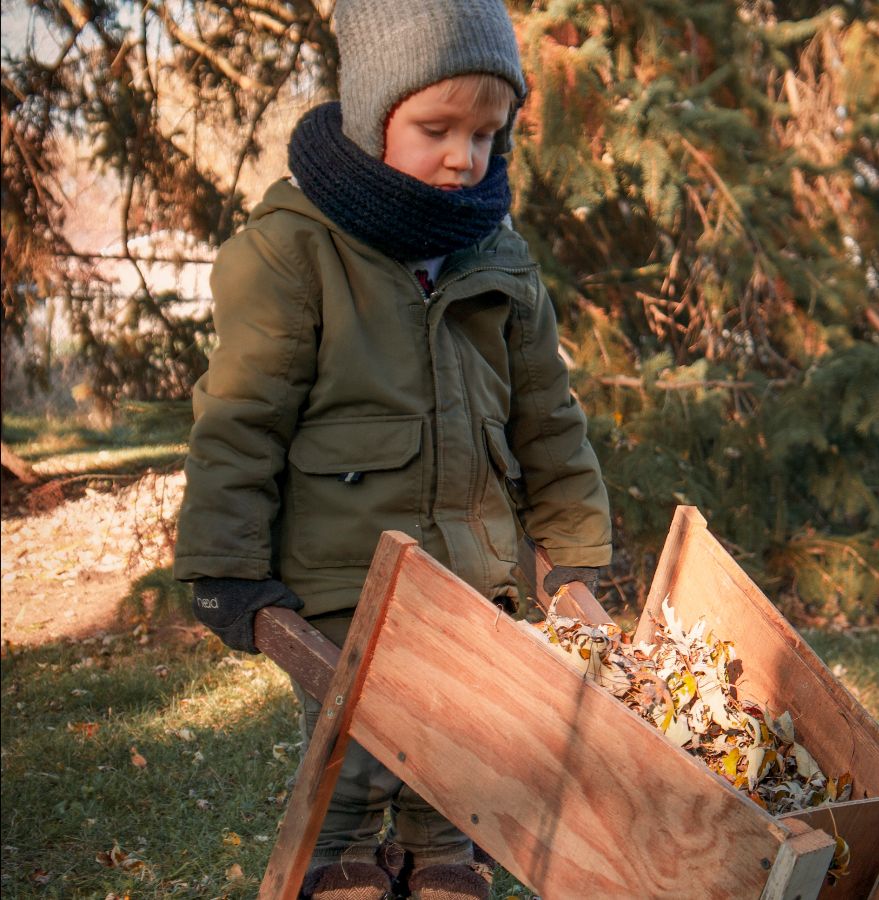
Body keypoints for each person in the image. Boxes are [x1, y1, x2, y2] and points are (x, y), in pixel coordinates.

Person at [172, 1, 612, 896]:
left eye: (486, 134)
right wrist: (226, 566)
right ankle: (338, 865)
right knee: (360, 754)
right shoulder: (296, 252)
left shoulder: (497, 258)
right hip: (345, 575)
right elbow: (240, 421)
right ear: (374, 119)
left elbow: (548, 420)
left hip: (470, 566)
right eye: (435, 128)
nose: (464, 156)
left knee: (462, 747)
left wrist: (570, 555)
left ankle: (442, 855)